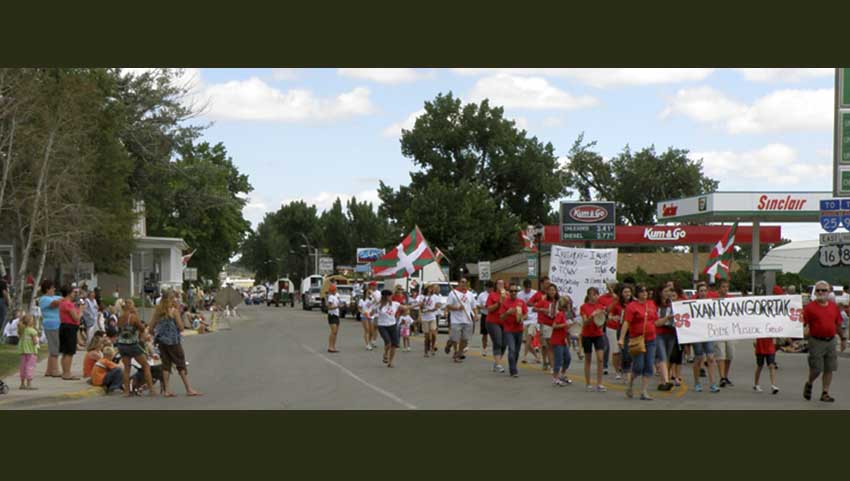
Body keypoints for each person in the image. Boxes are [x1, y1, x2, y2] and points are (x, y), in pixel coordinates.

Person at [802, 280, 848, 402]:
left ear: (828, 292)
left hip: (831, 341)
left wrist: (843, 339)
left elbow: (837, 325)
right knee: (816, 369)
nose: (821, 292)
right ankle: (810, 382)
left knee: (829, 368)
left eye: (824, 290)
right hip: (816, 341)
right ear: (815, 292)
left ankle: (825, 393)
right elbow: (802, 324)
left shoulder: (833, 307)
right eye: (818, 290)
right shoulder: (809, 308)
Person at [150, 292, 202, 397]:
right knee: (180, 363)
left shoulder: (157, 312)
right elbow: (181, 327)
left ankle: (167, 390)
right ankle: (188, 388)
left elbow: (151, 328)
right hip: (173, 342)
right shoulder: (174, 312)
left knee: (166, 365)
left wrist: (159, 334)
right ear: (171, 300)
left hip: (162, 342)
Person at [619, 285, 658, 400]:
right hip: (637, 339)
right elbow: (626, 323)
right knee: (638, 366)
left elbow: (656, 321)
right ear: (637, 293)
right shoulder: (632, 306)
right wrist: (621, 338)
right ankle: (631, 383)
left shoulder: (651, 304)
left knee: (649, 365)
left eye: (646, 291)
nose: (645, 293)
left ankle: (644, 391)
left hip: (651, 339)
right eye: (642, 291)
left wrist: (668, 318)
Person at [116, 300, 156, 397]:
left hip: (121, 345)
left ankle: (126, 392)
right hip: (132, 345)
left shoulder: (120, 318)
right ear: (130, 307)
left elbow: (119, 330)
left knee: (127, 368)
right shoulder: (133, 317)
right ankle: (151, 389)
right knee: (145, 365)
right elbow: (141, 328)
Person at [687, 282, 720, 393]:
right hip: (697, 334)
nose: (703, 293)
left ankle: (713, 383)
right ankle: (697, 383)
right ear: (697, 292)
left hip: (708, 333)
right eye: (701, 291)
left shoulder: (711, 303)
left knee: (710, 358)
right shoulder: (692, 304)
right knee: (698, 358)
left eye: (705, 291)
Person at [579, 287, 607, 392]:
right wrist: (592, 316)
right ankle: (588, 383)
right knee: (588, 359)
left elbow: (602, 322)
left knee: (600, 358)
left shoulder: (600, 306)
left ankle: (600, 383)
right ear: (589, 296)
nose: (595, 296)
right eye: (593, 294)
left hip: (598, 334)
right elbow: (585, 322)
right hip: (587, 335)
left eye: (597, 294)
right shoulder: (583, 307)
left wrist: (602, 317)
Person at [498, 283, 527, 378]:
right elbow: (501, 317)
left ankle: (513, 366)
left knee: (517, 351)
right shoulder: (505, 303)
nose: (514, 292)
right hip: (508, 330)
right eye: (512, 291)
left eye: (515, 291)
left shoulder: (521, 302)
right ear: (509, 292)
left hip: (519, 329)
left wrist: (522, 318)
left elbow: (526, 314)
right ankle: (513, 370)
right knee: (512, 350)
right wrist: (507, 313)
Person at [546, 284, 572, 386]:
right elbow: (554, 325)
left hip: (562, 340)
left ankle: (562, 374)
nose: (570, 305)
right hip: (557, 341)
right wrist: (565, 324)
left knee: (568, 358)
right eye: (569, 303)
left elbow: (566, 328)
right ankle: (555, 378)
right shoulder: (560, 314)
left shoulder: (566, 314)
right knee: (559, 360)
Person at [445, 278, 477, 363]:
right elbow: (448, 306)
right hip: (456, 320)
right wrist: (457, 308)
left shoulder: (470, 294)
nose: (464, 284)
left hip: (467, 320)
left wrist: (476, 315)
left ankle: (458, 355)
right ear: (458, 283)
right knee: (455, 339)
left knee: (465, 339)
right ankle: (449, 343)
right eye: (462, 282)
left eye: (465, 282)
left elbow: (474, 306)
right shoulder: (453, 293)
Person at [38, 280, 63, 377]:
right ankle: (55, 370)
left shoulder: (54, 297)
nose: (54, 289)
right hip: (51, 325)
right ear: (47, 289)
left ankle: (49, 370)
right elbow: (54, 304)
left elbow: (64, 299)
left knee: (53, 347)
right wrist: (64, 300)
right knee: (55, 348)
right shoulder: (44, 299)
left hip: (57, 324)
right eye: (52, 288)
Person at [58, 285, 83, 380]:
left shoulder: (62, 303)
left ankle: (65, 372)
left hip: (64, 326)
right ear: (69, 293)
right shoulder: (68, 304)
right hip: (70, 328)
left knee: (65, 352)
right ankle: (67, 373)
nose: (74, 294)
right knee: (69, 352)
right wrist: (81, 310)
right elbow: (76, 318)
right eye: (73, 292)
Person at [713, 280, 735, 387]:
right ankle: (721, 377)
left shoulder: (731, 299)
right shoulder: (713, 300)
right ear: (719, 288)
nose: (725, 289)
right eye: (723, 287)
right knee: (720, 353)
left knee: (730, 354)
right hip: (718, 330)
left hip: (730, 329)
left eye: (727, 287)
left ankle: (726, 376)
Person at [654, 284, 675, 391]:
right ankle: (666, 381)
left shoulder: (673, 304)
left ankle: (662, 381)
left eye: (669, 291)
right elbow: (656, 323)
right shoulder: (654, 305)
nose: (668, 293)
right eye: (665, 291)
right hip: (658, 333)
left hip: (671, 333)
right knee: (662, 356)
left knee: (666, 356)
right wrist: (667, 318)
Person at [610, 285, 633, 381]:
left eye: (629, 292)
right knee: (624, 351)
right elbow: (610, 314)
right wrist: (613, 317)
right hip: (621, 329)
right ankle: (626, 371)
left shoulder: (634, 303)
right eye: (625, 292)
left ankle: (628, 369)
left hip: (633, 330)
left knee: (631, 351)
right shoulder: (618, 305)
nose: (627, 294)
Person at [517, 279, 542, 365]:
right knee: (525, 341)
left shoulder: (535, 293)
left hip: (533, 319)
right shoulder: (519, 294)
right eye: (526, 287)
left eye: (529, 287)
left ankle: (524, 356)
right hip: (524, 319)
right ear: (524, 287)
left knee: (529, 337)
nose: (528, 289)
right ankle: (537, 357)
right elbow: (518, 306)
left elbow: (540, 304)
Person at [486, 279, 508, 373]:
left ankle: (496, 362)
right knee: (498, 342)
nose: (500, 285)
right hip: (493, 322)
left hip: (505, 322)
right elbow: (489, 309)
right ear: (496, 285)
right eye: (498, 283)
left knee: (504, 344)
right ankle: (499, 365)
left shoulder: (507, 295)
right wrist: (499, 303)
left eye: (502, 283)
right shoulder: (492, 295)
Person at [375, 290, 402, 368]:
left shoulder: (395, 304)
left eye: (391, 295)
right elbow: (373, 311)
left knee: (394, 345)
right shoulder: (379, 305)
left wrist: (418, 304)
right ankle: (386, 353)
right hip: (382, 326)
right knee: (388, 342)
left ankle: (391, 362)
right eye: (390, 296)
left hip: (392, 325)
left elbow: (405, 307)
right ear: (385, 296)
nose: (391, 297)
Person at [17, 314, 39, 390]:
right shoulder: (32, 331)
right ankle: (29, 384)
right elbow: (35, 342)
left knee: (22, 367)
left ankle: (22, 384)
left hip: (23, 351)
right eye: (32, 320)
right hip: (31, 351)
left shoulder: (22, 330)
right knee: (30, 366)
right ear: (30, 322)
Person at [420, 284, 440, 358]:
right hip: (425, 318)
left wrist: (434, 308)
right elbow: (421, 308)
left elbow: (438, 306)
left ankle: (432, 347)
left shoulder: (435, 296)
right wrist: (424, 309)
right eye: (429, 287)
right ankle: (426, 351)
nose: (430, 289)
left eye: (431, 288)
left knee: (434, 333)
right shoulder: (422, 296)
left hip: (432, 317)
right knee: (427, 336)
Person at [477, 282, 492, 356]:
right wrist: (483, 307)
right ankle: (484, 348)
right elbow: (478, 305)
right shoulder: (482, 295)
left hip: (493, 315)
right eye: (488, 287)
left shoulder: (495, 294)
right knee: (484, 334)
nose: (489, 289)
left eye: (491, 287)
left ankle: (495, 348)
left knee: (494, 333)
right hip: (485, 315)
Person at [326, 284, 341, 353]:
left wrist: (340, 304)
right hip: (332, 315)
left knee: (336, 332)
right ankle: (330, 347)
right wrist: (337, 306)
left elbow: (338, 303)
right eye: (335, 289)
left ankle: (333, 347)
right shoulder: (330, 297)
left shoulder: (336, 296)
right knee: (333, 331)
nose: (336, 290)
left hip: (336, 314)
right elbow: (329, 307)